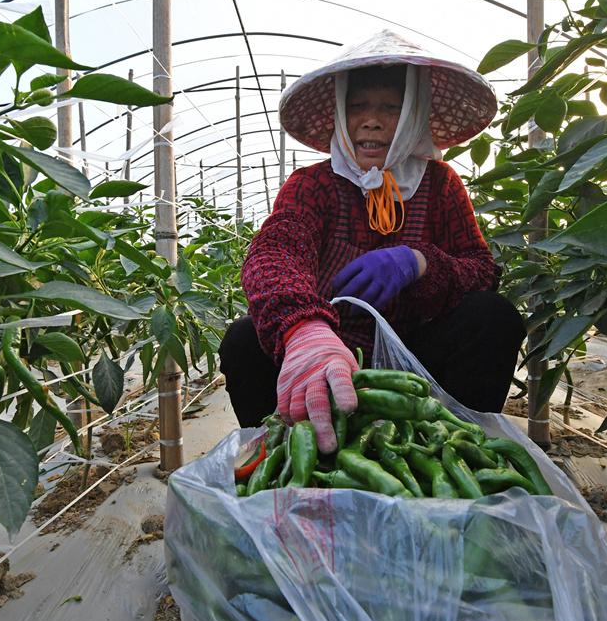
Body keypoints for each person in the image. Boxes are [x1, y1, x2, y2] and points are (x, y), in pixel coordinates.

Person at [218, 31, 526, 453]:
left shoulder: (439, 184)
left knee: (494, 316)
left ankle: (457, 446)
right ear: (341, 116)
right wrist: (305, 329)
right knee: (244, 341)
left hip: (417, 358)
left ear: (414, 115)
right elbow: (277, 249)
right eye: (358, 107)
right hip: (326, 354)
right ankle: (288, 451)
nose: (372, 120)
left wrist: (419, 262)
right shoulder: (313, 184)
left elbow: (480, 269)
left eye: (390, 109)